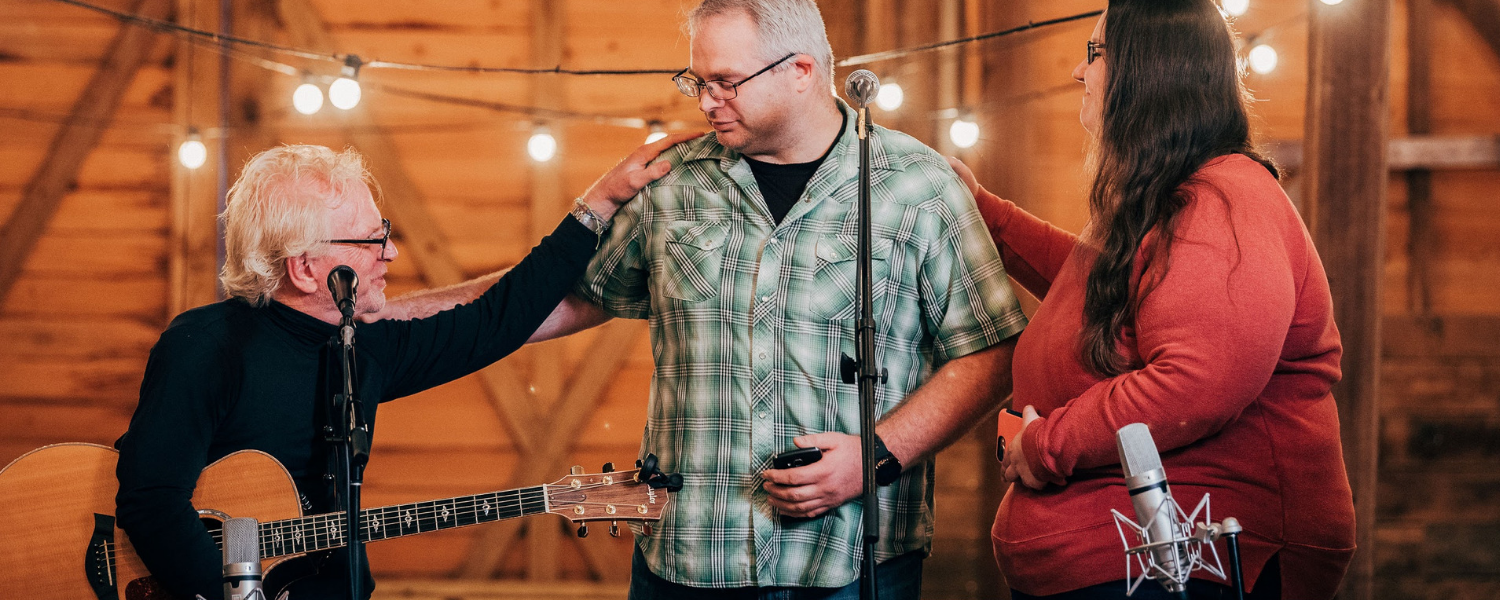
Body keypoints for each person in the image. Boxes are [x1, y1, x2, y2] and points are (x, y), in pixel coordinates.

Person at [381, 1, 1028, 597]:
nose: (706, 101)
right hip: (687, 560)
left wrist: (876, 455)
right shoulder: (671, 184)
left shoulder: (917, 187)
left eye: (725, 82)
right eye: (697, 82)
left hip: (854, 563)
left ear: (801, 71)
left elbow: (993, 349)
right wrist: (387, 322)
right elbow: (554, 297)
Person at [113, 135, 693, 600]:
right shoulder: (204, 346)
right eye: (371, 240)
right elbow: (152, 504)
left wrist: (596, 206)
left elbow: (494, 322)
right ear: (306, 269)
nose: (390, 252)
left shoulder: (362, 349)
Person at [945, 1, 1358, 598]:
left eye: (1094, 53)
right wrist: (987, 217)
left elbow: (1194, 381)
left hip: (1183, 559)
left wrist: (1047, 444)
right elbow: (1095, 286)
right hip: (1127, 562)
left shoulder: (1223, 204)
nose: (1078, 72)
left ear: (1148, 69)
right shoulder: (1172, 200)